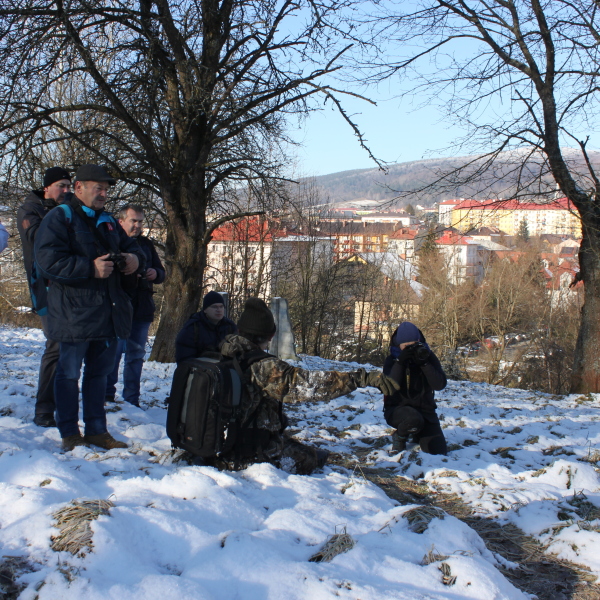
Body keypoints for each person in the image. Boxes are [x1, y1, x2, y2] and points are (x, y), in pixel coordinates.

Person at [208, 297, 400, 474]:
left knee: (297, 446)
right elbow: (310, 385)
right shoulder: (262, 366)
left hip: (222, 442)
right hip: (246, 454)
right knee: (310, 458)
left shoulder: (223, 353)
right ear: (269, 336)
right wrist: (361, 378)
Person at [34, 164, 145, 451]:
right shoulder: (60, 218)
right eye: (99, 189)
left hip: (107, 314)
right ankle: (70, 433)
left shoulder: (108, 221)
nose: (104, 194)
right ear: (79, 187)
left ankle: (97, 430)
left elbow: (132, 249)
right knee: (68, 375)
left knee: (98, 375)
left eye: (107, 190)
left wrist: (134, 260)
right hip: (73, 315)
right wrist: (89, 268)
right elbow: (47, 261)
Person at [17, 167, 72, 428]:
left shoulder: (67, 209)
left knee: (70, 348)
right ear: (47, 187)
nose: (66, 191)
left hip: (69, 288)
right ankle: (44, 410)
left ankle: (63, 405)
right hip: (44, 289)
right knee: (56, 346)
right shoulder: (31, 210)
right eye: (61, 186)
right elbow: (39, 239)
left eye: (69, 186)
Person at [105, 204, 165, 406]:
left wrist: (155, 274)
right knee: (113, 353)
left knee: (136, 355)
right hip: (118, 306)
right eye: (134, 221)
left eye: (140, 221)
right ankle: (106, 394)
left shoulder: (146, 245)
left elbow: (161, 271)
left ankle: (131, 398)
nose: (138, 225)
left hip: (142, 305)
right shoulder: (111, 242)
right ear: (121, 221)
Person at [382, 321, 448, 455]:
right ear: (398, 345)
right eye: (406, 346)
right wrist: (400, 362)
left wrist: (424, 364)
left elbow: (439, 385)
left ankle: (418, 433)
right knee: (412, 419)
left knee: (438, 451)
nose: (410, 350)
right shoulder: (392, 360)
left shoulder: (428, 356)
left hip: (426, 412)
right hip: (398, 410)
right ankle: (400, 436)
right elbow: (388, 387)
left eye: (414, 345)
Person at [175, 291, 237, 364]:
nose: (219, 310)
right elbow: (184, 358)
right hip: (199, 371)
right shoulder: (192, 328)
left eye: (221, 306)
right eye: (214, 307)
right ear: (205, 309)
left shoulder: (230, 326)